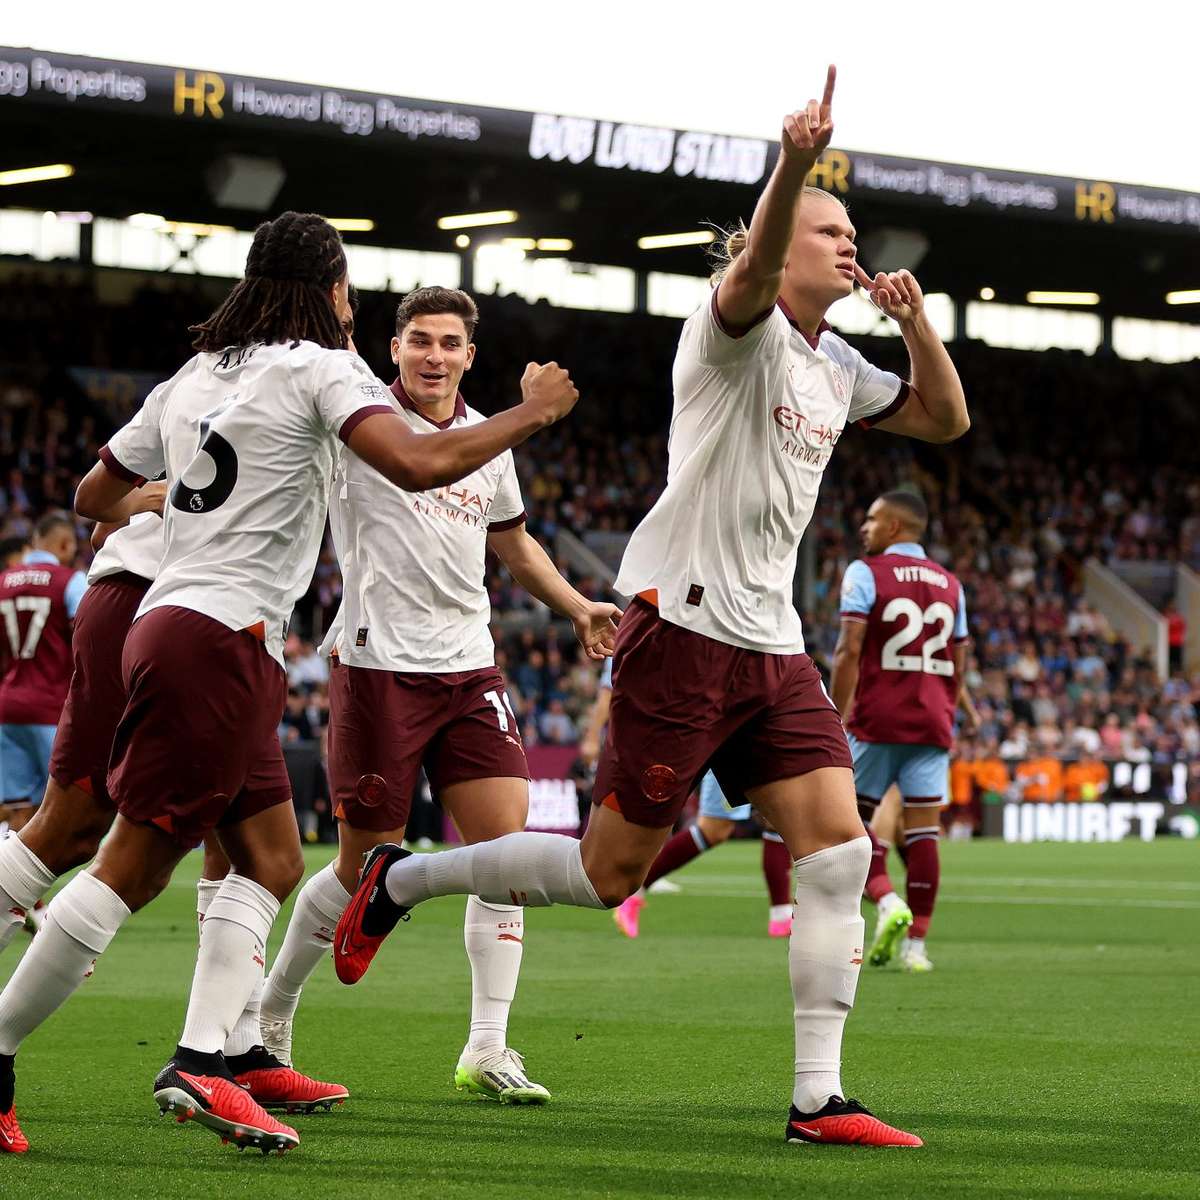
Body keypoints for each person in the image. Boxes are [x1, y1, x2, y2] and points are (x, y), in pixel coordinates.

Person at [333, 67, 969, 1149]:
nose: (848, 244)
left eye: (852, 230)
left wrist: (916, 327)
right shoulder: (732, 326)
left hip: (771, 640)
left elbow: (944, 422)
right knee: (605, 870)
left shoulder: (836, 363)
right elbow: (760, 261)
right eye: (831, 228)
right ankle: (404, 881)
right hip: (681, 623)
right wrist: (791, 165)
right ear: (773, 244)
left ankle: (819, 1097)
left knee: (836, 852)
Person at [0, 211, 580, 1156]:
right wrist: (533, 412)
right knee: (126, 864)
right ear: (332, 292)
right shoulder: (324, 367)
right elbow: (423, 461)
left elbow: (91, 501)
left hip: (175, 622)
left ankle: (209, 1055)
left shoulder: (195, 376)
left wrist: (166, 502)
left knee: (271, 858)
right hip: (220, 640)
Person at [258, 286, 619, 1106]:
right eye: (419, 340)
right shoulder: (359, 424)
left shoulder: (491, 438)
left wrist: (574, 605)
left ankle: (487, 1048)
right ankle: (268, 1014)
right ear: (393, 349)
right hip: (378, 665)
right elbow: (364, 396)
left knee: (506, 857)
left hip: (468, 668)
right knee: (360, 869)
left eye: (449, 343)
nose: (433, 356)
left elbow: (512, 540)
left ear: (469, 355)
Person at [831, 491, 978, 973]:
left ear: (894, 527)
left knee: (847, 828)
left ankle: (887, 902)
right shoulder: (951, 584)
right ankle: (918, 948)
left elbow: (849, 650)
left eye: (872, 519)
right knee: (924, 836)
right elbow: (958, 661)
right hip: (932, 722)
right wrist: (963, 708)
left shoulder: (864, 572)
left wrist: (834, 711)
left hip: (876, 720)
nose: (864, 528)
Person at [610, 771, 795, 939]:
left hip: (767, 743)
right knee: (714, 830)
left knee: (779, 818)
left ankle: (781, 918)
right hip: (729, 746)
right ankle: (636, 889)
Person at [0, 513, 87, 834]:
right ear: (65, 544)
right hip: (52, 709)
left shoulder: (3, 581)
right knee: (69, 815)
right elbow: (88, 637)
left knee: (18, 812)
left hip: (7, 707)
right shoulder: (70, 580)